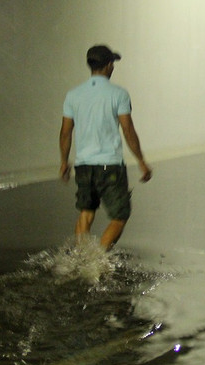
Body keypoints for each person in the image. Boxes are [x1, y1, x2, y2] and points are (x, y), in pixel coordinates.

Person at [59, 45, 152, 250]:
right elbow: (128, 130)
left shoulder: (73, 95)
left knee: (86, 211)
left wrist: (64, 162)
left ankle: (82, 258)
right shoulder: (119, 94)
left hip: (83, 165)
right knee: (120, 215)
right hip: (109, 165)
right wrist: (142, 162)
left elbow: (66, 132)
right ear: (109, 65)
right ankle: (98, 259)